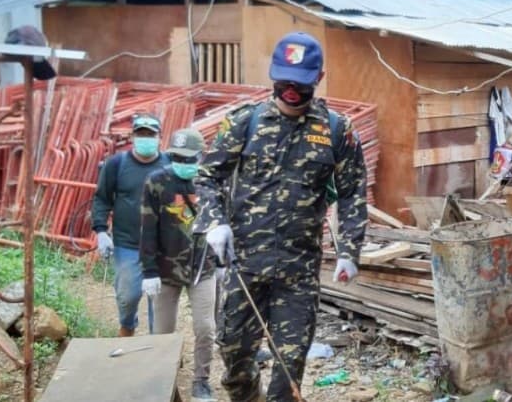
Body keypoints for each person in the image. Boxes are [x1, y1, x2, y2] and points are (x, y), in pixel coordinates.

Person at [195, 31, 368, 401]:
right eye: (283, 80)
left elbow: (353, 192)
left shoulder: (336, 130)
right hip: (245, 268)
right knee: (235, 355)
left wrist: (349, 251)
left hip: (298, 273)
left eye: (300, 83)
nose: (290, 90)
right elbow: (208, 175)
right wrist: (215, 222)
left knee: (290, 364)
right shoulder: (245, 122)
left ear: (318, 79)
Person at [140, 128, 221, 402]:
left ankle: (201, 381)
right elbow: (148, 228)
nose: (183, 164)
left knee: (205, 328)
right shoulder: (156, 182)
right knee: (162, 332)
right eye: (178, 158)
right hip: (165, 270)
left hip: (203, 269)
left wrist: (222, 259)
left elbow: (221, 223)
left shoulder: (211, 183)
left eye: (189, 159)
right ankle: (165, 384)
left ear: (201, 156)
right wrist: (149, 270)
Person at [91, 114, 170, 337]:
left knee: (159, 300)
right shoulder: (116, 164)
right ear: (133, 137)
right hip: (128, 243)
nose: (146, 138)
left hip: (161, 246)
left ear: (159, 138)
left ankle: (160, 344)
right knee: (127, 295)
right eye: (141, 133)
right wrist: (100, 231)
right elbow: (102, 198)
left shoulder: (169, 165)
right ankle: (127, 326)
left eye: (150, 134)